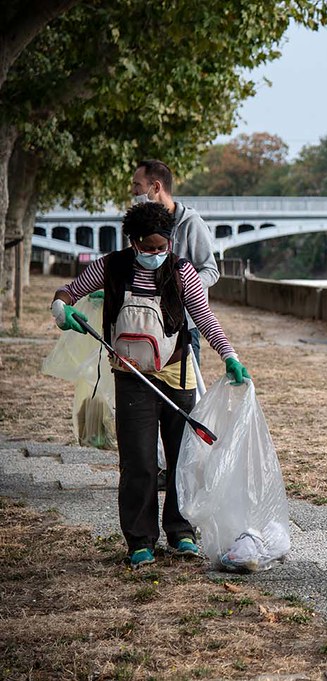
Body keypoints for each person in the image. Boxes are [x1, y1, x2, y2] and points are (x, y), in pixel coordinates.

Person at [50, 202, 250, 569]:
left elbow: (205, 319)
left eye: (163, 248)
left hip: (177, 374)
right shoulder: (111, 266)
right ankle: (140, 540)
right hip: (131, 376)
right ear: (133, 241)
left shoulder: (182, 272)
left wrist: (229, 356)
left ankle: (181, 531)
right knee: (139, 460)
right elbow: (68, 290)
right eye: (148, 248)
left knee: (182, 458)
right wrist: (62, 310)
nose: (156, 255)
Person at [131, 159, 220, 363]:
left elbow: (211, 271)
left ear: (156, 187)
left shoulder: (191, 223)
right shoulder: (141, 224)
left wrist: (181, 284)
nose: (133, 191)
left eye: (137, 185)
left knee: (184, 391)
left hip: (184, 327)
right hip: (146, 324)